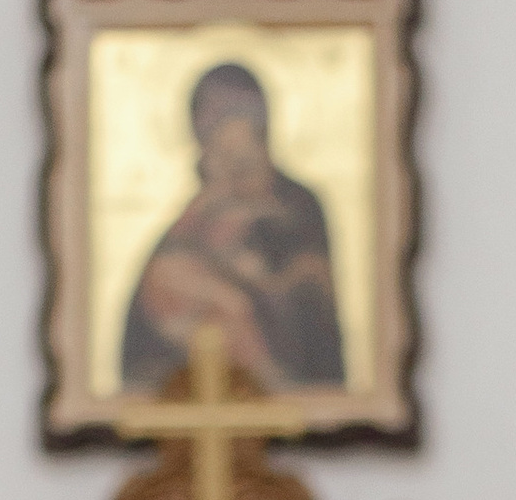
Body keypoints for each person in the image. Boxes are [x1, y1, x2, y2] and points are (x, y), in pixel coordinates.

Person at [119, 59, 346, 397]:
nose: (230, 159)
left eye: (239, 144)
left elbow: (312, 301)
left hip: (278, 354)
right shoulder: (202, 208)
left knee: (232, 306)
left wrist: (264, 280)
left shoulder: (297, 206)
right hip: (201, 362)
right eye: (215, 139)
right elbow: (148, 315)